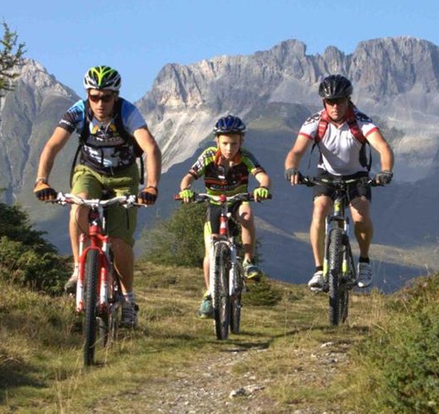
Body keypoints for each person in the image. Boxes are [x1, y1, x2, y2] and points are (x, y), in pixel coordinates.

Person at [34, 65, 161, 328]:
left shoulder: (128, 112)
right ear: (87, 95)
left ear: (116, 96)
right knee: (77, 204)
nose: (100, 103)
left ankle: (127, 300)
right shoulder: (79, 111)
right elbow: (52, 145)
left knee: (119, 242)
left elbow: (149, 146)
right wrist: (41, 181)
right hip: (89, 171)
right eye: (94, 96)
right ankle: (77, 270)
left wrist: (151, 186)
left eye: (106, 97)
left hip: (124, 176)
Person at [283, 74, 394, 291]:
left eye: (339, 101)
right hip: (327, 175)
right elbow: (296, 151)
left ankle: (363, 262)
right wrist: (291, 168)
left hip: (357, 175)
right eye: (330, 101)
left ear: (348, 100)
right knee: (319, 210)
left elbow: (382, 147)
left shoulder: (361, 121)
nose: (335, 106)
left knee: (360, 214)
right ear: (323, 102)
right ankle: (318, 270)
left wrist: (386, 170)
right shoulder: (315, 122)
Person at [178, 115, 271, 319]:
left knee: (246, 215)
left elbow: (262, 176)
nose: (229, 148)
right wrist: (185, 190)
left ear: (241, 141)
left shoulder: (246, 156)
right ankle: (210, 294)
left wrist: (262, 188)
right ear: (217, 141)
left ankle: (248, 261)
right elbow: (188, 177)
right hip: (214, 203)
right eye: (225, 143)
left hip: (238, 200)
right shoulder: (209, 155)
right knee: (210, 252)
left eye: (234, 143)